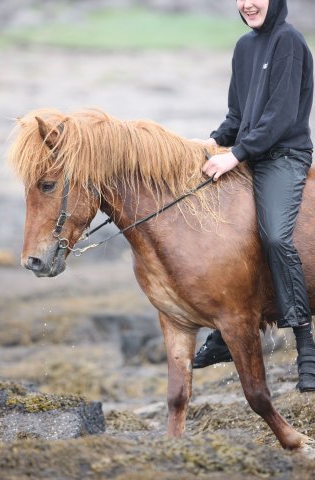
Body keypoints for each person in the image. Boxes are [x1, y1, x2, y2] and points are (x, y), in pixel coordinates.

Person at [193, 0, 315, 392]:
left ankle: (306, 346)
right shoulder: (245, 47)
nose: (247, 3)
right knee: (215, 231)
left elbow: (279, 118)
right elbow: (236, 115)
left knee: (276, 236)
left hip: (284, 156)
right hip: (247, 154)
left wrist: (236, 156)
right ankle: (224, 330)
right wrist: (213, 141)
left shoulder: (290, 41)